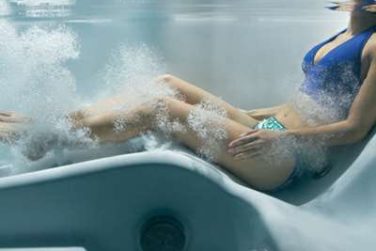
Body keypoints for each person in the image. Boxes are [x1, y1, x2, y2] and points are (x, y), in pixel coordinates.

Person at [2, 0, 376, 192]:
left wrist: (280, 136)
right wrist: (247, 115)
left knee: (160, 108)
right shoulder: (339, 35)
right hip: (269, 128)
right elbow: (303, 105)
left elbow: (355, 128)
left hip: (289, 159)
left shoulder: (374, 43)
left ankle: (47, 137)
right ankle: (56, 123)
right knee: (167, 83)